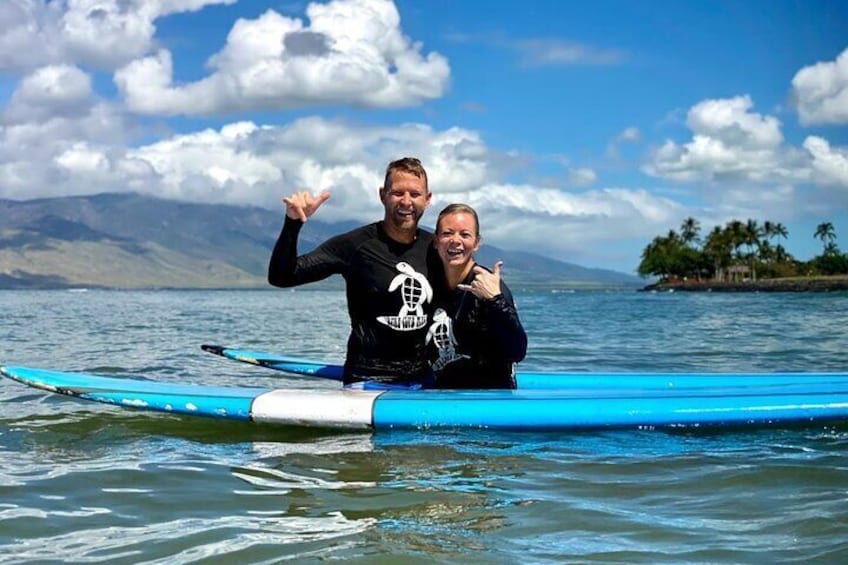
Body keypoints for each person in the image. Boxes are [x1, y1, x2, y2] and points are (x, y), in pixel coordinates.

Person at [267, 157, 442, 389]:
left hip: (425, 380)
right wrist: (293, 222)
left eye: (415, 194)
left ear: (428, 199)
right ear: (383, 195)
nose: (406, 201)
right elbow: (282, 276)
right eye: (398, 193)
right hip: (369, 380)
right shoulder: (355, 245)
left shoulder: (437, 248)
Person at [426, 203, 527, 389]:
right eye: (447, 233)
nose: (455, 240)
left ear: (477, 243)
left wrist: (495, 300)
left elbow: (518, 351)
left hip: (486, 399)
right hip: (441, 395)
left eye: (465, 235)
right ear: (436, 240)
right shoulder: (430, 285)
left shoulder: (489, 286)